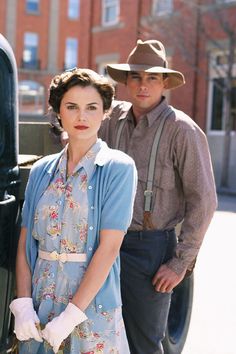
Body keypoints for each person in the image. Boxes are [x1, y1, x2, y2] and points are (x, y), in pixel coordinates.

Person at [98, 39, 218, 354]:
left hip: (149, 248)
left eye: (152, 77)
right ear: (125, 81)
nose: (142, 84)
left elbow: (204, 202)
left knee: (144, 344)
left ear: (165, 82)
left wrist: (180, 264)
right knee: (101, 336)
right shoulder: (111, 119)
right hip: (104, 243)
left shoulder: (182, 130)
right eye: (136, 77)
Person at [10, 68, 137, 354]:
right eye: (72, 107)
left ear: (105, 111)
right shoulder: (42, 170)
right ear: (58, 111)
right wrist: (23, 304)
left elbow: (109, 248)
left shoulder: (118, 168)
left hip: (89, 309)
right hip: (40, 305)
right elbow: (25, 244)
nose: (82, 117)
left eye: (92, 107)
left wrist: (71, 315)